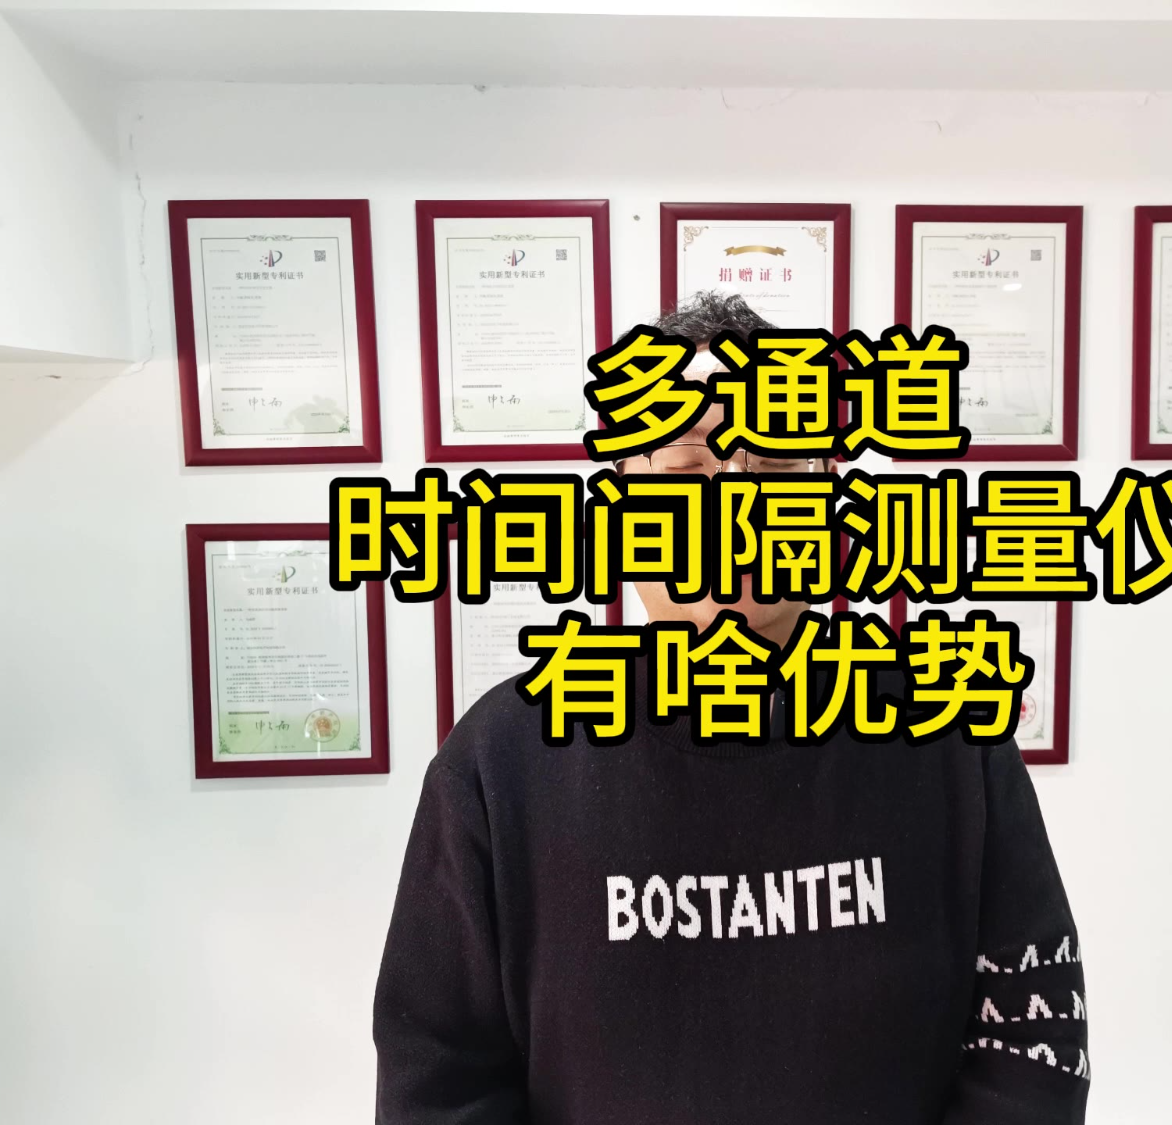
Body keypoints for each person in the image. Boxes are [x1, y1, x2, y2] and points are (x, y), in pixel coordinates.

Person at [373, 292, 1089, 1123]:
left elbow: (1031, 1050)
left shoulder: (951, 733)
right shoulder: (499, 765)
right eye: (687, 473)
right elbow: (438, 1081)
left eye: (776, 469)